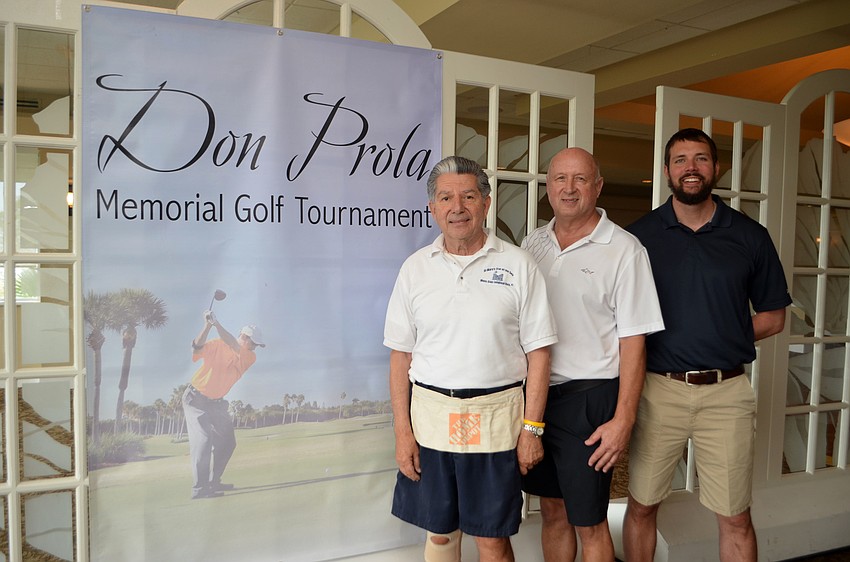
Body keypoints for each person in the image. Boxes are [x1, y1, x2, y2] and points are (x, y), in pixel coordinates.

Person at [623, 128, 791, 562]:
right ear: (666, 171)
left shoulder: (750, 236)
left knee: (735, 516)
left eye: (700, 159)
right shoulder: (637, 239)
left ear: (716, 169)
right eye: (680, 160)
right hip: (657, 391)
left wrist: (723, 332)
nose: (690, 168)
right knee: (641, 506)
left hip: (727, 395)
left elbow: (773, 317)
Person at [384, 155, 557, 562]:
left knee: (492, 539)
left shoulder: (518, 264)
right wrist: (402, 433)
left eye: (467, 196)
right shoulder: (414, 270)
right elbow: (400, 356)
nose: (457, 207)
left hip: (497, 422)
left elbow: (540, 353)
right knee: (440, 535)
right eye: (446, 198)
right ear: (433, 208)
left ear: (486, 202)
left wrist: (532, 429)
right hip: (430, 421)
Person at [520, 147, 665, 562]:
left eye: (580, 179)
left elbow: (634, 343)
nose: (569, 188)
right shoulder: (533, 244)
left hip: (591, 400)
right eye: (560, 179)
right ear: (548, 187)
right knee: (552, 510)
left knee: (590, 521)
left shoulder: (625, 250)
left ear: (597, 187)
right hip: (538, 400)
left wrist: (623, 419)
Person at [182, 309, 265, 499]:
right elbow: (196, 349)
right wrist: (207, 325)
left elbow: (232, 344)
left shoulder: (249, 357)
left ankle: (213, 482)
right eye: (254, 343)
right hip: (196, 399)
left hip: (217, 403)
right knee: (203, 440)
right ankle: (199, 489)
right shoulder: (217, 344)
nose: (255, 348)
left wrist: (216, 324)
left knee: (228, 442)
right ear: (244, 336)